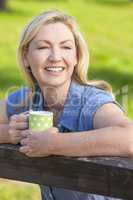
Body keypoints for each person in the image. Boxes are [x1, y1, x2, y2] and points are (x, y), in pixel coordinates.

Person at [0, 9, 132, 200]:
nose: (55, 56)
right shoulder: (28, 98)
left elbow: (129, 138)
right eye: (43, 47)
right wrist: (8, 134)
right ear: (25, 57)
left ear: (76, 56)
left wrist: (52, 144)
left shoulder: (91, 102)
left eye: (66, 47)